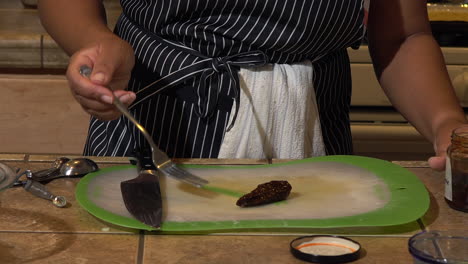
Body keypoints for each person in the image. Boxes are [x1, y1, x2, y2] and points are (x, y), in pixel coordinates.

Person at [38, 0, 466, 170]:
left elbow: (403, 34)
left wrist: (447, 123)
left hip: (307, 127)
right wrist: (95, 42)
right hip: (156, 111)